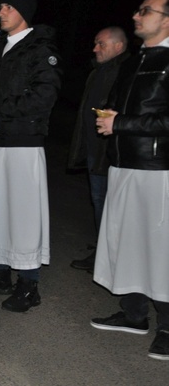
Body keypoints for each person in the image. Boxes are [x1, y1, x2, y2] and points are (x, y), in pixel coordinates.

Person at [91, 0, 169, 361]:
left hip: (157, 169)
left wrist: (120, 124)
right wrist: (110, 117)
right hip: (123, 164)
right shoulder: (136, 59)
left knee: (160, 248)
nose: (136, 16)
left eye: (146, 11)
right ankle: (134, 314)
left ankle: (168, 327)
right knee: (128, 241)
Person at [0, 0, 62, 312]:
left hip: (23, 143)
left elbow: (44, 97)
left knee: (24, 215)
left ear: (23, 12)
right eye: (0, 5)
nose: (0, 11)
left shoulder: (41, 49)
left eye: (7, 6)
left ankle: (29, 284)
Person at [67, 27, 130, 271]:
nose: (95, 48)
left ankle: (110, 259)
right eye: (95, 43)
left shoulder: (125, 71)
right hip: (96, 152)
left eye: (101, 44)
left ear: (118, 46)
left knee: (110, 205)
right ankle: (104, 253)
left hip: (112, 154)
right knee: (99, 202)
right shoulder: (98, 71)